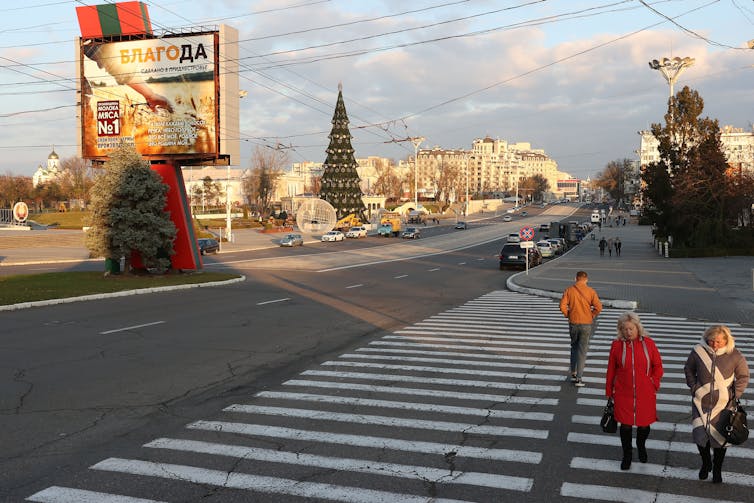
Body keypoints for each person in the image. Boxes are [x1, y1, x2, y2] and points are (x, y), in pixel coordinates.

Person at [684, 325, 750, 483]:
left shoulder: (735, 355)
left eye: (718, 341)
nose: (714, 344)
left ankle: (717, 469)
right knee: (700, 437)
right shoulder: (698, 351)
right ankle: (706, 463)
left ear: (726, 340)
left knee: (720, 440)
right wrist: (694, 388)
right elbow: (688, 369)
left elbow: (743, 376)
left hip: (723, 405)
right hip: (701, 403)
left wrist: (734, 394)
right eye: (711, 340)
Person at [606, 312, 664, 470]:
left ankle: (641, 446)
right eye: (624, 329)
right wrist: (609, 390)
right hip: (623, 392)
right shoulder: (617, 345)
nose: (628, 332)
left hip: (645, 392)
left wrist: (653, 382)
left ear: (638, 328)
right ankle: (627, 455)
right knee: (625, 426)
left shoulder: (649, 344)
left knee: (644, 425)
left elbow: (658, 366)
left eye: (631, 328)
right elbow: (611, 369)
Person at [559, 271, 602, 387]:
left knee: (574, 347)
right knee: (582, 351)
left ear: (575, 279)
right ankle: (579, 378)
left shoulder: (569, 290)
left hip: (573, 323)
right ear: (586, 279)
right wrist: (592, 315)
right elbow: (599, 307)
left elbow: (562, 305)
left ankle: (573, 373)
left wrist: (568, 314)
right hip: (586, 324)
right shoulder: (591, 291)